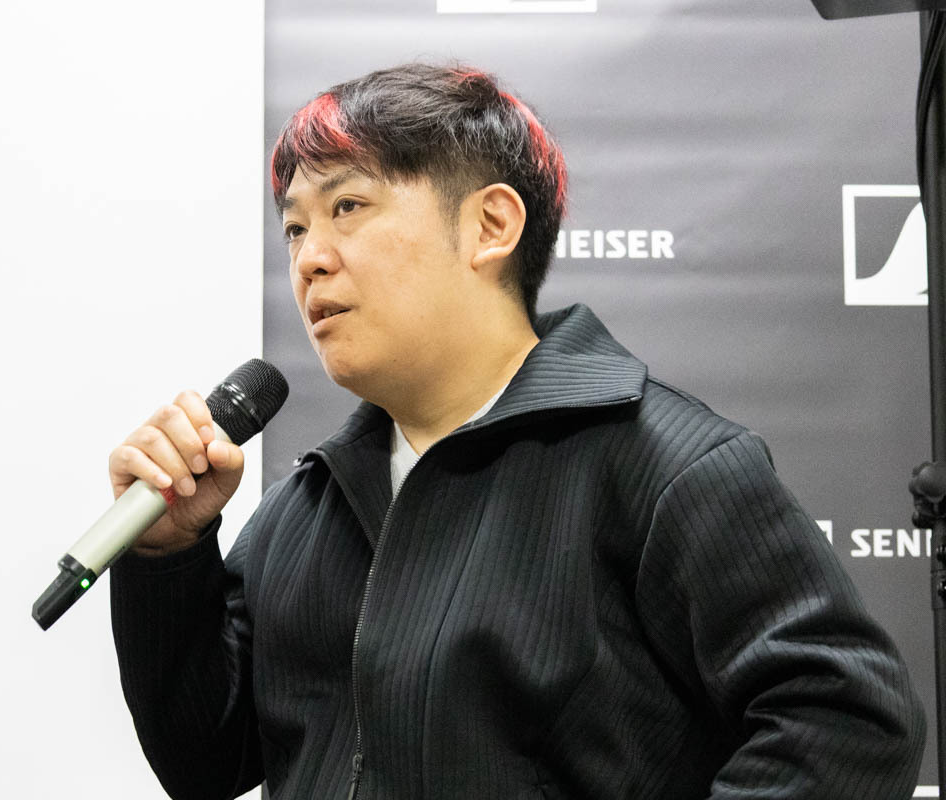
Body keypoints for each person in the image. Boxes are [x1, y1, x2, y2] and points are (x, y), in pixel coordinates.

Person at [106, 63, 926, 799]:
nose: (309, 259)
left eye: (347, 207)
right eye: (294, 228)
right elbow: (205, 762)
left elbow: (847, 723)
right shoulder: (306, 504)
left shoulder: (667, 465)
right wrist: (167, 556)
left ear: (492, 225)